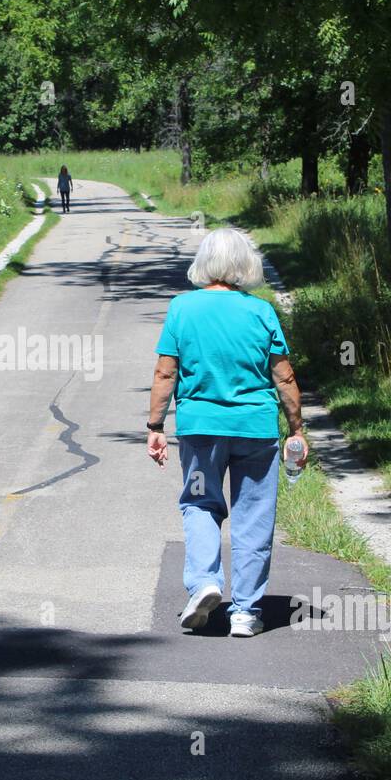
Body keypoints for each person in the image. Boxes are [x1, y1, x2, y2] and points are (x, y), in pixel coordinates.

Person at [145, 227, 308, 638]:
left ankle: (205, 583)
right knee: (254, 516)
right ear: (244, 265)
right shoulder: (261, 312)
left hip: (201, 431)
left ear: (204, 263)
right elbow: (284, 378)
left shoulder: (182, 308)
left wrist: (155, 425)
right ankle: (246, 612)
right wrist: (297, 429)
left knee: (200, 503)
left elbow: (166, 371)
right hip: (254, 431)